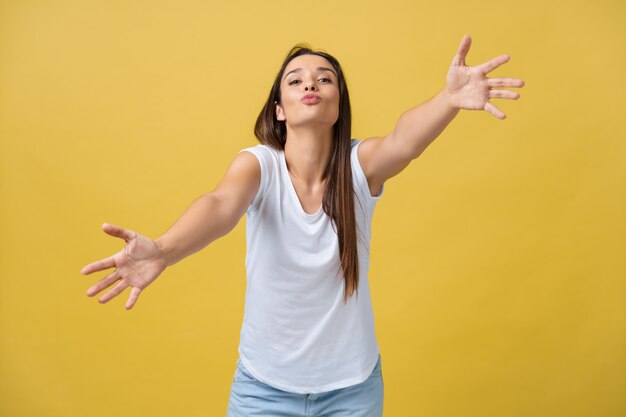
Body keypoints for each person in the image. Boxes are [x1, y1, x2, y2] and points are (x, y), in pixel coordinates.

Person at [80, 34, 524, 416]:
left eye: (324, 78)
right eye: (295, 80)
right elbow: (219, 206)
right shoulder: (258, 166)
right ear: (279, 110)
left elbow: (403, 141)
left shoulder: (358, 166)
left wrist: (448, 100)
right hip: (263, 389)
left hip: (352, 390)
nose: (310, 82)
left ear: (337, 104)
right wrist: (163, 250)